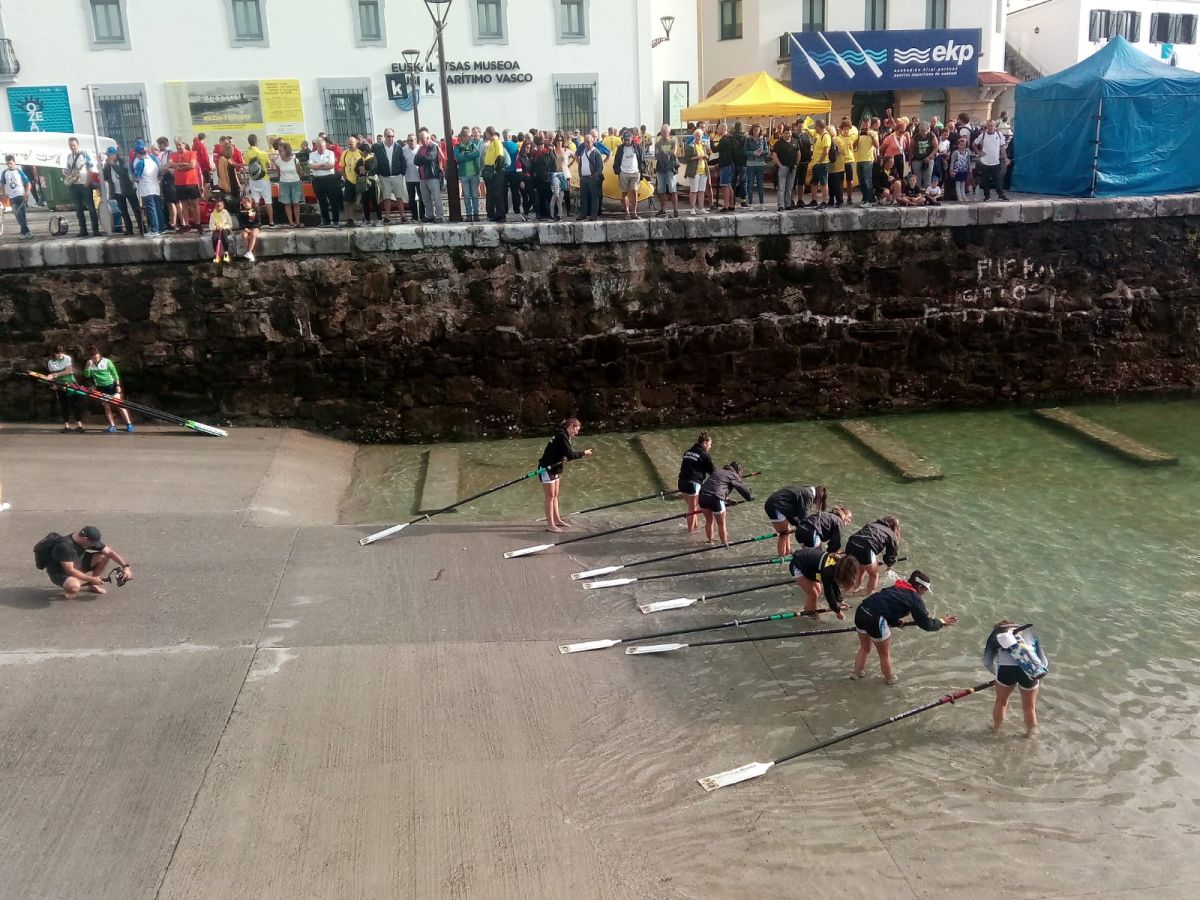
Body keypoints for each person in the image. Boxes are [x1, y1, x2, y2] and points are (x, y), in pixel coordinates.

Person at [852, 570, 956, 683]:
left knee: (865, 648)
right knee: (884, 655)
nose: (925, 593)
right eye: (925, 589)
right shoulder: (915, 599)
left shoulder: (898, 585)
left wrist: (895, 621)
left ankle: (856, 673)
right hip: (876, 619)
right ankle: (890, 679)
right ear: (920, 587)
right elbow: (926, 624)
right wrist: (941, 622)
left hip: (862, 610)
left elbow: (885, 602)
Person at [982, 620, 1048, 736]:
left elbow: (987, 661)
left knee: (1001, 702)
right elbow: (1044, 662)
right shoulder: (1030, 632)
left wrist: (996, 674)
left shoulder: (996, 633)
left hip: (1005, 670)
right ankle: (1030, 734)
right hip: (1030, 671)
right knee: (1029, 706)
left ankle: (995, 730)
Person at [40, 526, 133, 600]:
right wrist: (91, 579)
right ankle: (70, 590)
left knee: (103, 556)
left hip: (77, 562)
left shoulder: (85, 540)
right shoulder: (64, 547)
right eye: (92, 543)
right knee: (73, 586)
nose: (93, 545)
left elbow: (109, 552)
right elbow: (70, 570)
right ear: (85, 539)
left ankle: (93, 585)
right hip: (60, 572)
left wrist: (125, 567)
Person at [537, 418, 593, 533]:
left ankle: (557, 520)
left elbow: (563, 453)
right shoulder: (562, 436)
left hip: (555, 468)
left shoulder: (564, 435)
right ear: (572, 426)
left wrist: (564, 457)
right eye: (576, 430)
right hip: (546, 469)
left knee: (555, 495)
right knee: (550, 497)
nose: (577, 433)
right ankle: (550, 525)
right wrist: (584, 453)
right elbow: (570, 455)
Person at [789, 547, 860, 619]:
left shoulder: (838, 563)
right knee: (813, 594)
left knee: (818, 590)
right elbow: (829, 593)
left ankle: (810, 611)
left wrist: (840, 600)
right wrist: (837, 611)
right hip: (797, 565)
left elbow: (834, 584)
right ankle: (810, 616)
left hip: (808, 564)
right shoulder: (828, 571)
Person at [698, 461, 753, 545]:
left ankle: (710, 541)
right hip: (715, 498)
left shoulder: (718, 471)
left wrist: (728, 500)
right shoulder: (733, 474)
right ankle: (724, 543)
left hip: (702, 495)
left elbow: (716, 486)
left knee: (709, 521)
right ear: (738, 470)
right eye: (741, 472)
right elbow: (743, 489)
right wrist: (750, 497)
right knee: (721, 523)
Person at [763, 485, 828, 557]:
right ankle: (781, 557)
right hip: (775, 506)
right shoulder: (808, 495)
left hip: (774, 504)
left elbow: (797, 514)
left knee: (787, 531)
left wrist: (799, 526)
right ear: (819, 497)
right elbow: (803, 517)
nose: (816, 503)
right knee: (783, 534)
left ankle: (788, 552)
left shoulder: (805, 491)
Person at [845, 515, 901, 593]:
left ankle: (855, 588)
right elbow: (891, 554)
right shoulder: (891, 534)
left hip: (851, 543)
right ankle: (870, 595)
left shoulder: (871, 525)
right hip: (866, 549)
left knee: (862, 567)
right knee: (874, 574)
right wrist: (889, 566)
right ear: (896, 527)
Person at [84, 346, 133, 433]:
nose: (96, 359)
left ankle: (129, 424)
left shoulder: (107, 362)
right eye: (94, 358)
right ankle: (112, 426)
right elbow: (87, 375)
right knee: (107, 407)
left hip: (111, 386)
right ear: (91, 357)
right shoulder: (90, 363)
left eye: (98, 357)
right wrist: (87, 367)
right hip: (101, 388)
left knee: (119, 405)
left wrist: (118, 385)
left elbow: (114, 374)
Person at [677, 431, 715, 533]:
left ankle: (695, 525)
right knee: (692, 510)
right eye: (710, 444)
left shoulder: (687, 452)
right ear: (705, 443)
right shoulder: (704, 455)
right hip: (693, 484)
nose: (710, 447)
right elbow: (713, 473)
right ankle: (690, 533)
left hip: (681, 482)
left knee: (692, 507)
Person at [63, 137, 100, 237]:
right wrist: (68, 173)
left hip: (84, 185)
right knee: (78, 209)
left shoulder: (84, 155)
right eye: (71, 145)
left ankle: (95, 230)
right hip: (74, 185)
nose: (72, 147)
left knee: (91, 208)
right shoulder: (69, 157)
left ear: (78, 145)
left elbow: (90, 169)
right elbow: (67, 169)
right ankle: (83, 230)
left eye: (74, 145)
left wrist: (87, 182)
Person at [47, 346, 84, 432]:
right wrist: (53, 383)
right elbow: (52, 374)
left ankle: (79, 425)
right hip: (59, 384)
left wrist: (55, 375)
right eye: (58, 353)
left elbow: (69, 371)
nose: (60, 355)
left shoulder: (67, 358)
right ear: (54, 353)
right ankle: (66, 426)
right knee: (64, 405)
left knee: (74, 404)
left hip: (70, 383)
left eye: (61, 352)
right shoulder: (51, 362)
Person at [131, 140, 165, 234]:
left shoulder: (140, 163)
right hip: (155, 187)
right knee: (157, 208)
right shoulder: (153, 159)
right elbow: (159, 172)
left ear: (138, 153)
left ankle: (154, 230)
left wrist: (134, 179)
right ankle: (161, 228)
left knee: (151, 209)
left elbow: (136, 177)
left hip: (146, 188)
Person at [169, 136, 202, 232]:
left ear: (184, 144)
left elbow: (192, 165)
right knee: (184, 205)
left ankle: (198, 223)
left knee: (194, 204)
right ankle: (186, 225)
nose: (178, 147)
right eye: (176, 145)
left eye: (179, 145)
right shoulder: (173, 155)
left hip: (191, 182)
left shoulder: (192, 153)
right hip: (179, 183)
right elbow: (170, 164)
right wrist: (183, 164)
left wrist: (179, 168)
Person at [972, 119, 1009, 202]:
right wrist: (979, 152)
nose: (990, 127)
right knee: (985, 180)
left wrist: (1006, 158)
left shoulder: (999, 135)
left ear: (995, 126)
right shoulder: (983, 135)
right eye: (989, 125)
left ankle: (1001, 194)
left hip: (996, 161)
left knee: (998, 180)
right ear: (986, 126)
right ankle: (987, 196)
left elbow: (1002, 147)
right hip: (985, 162)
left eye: (992, 125)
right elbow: (974, 144)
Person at [308, 137, 341, 227]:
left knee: (333, 200)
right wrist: (322, 165)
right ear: (316, 146)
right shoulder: (312, 154)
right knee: (322, 201)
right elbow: (310, 165)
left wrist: (317, 165)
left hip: (330, 178)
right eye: (319, 146)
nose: (321, 148)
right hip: (318, 179)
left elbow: (330, 166)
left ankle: (335, 221)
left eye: (322, 146)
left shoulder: (330, 153)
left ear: (325, 145)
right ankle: (326, 221)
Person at [612, 130, 644, 220]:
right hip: (624, 172)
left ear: (631, 138)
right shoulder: (620, 148)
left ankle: (634, 213)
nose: (626, 141)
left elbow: (641, 159)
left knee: (634, 191)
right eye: (625, 139)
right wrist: (618, 172)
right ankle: (627, 213)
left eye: (628, 139)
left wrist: (641, 171)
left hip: (635, 172)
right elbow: (616, 161)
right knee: (624, 192)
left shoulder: (637, 147)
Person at [414, 129, 445, 223]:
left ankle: (439, 216)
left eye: (422, 138)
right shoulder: (420, 148)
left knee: (436, 197)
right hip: (422, 177)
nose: (421, 140)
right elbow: (415, 160)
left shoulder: (433, 146)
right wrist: (422, 159)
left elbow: (430, 157)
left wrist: (421, 159)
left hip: (432, 175)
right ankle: (429, 215)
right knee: (425, 198)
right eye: (420, 138)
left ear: (427, 137)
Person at [454, 127, 483, 223]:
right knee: (466, 195)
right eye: (468, 136)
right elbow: (458, 158)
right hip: (464, 174)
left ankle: (476, 214)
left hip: (474, 173)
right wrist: (469, 155)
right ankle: (469, 215)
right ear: (462, 137)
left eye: (471, 136)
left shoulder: (473, 145)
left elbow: (477, 154)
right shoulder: (457, 147)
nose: (470, 138)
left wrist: (465, 154)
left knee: (474, 195)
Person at [3, 154, 34, 240]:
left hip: (20, 195)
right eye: (8, 164)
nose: (9, 165)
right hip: (12, 197)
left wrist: (26, 194)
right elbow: (2, 183)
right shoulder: (5, 172)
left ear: (14, 163)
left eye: (11, 163)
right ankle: (26, 231)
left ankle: (23, 232)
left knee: (22, 214)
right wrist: (4, 193)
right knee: (16, 214)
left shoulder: (19, 172)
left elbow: (28, 184)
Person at [482, 127, 509, 222]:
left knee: (498, 193)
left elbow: (500, 157)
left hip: (496, 171)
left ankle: (502, 215)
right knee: (493, 193)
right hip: (490, 170)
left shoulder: (497, 142)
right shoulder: (491, 143)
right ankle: (496, 214)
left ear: (489, 133)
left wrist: (496, 170)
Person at [575, 133, 604, 222]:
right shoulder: (583, 151)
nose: (586, 144)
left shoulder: (596, 152)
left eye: (588, 142)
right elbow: (580, 163)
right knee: (583, 197)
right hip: (584, 178)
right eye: (585, 142)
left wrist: (595, 176)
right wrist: (580, 175)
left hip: (592, 178)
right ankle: (583, 214)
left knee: (594, 197)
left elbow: (600, 167)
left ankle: (593, 214)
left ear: (593, 141)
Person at [273, 143, 303, 227]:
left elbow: (299, 172)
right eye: (278, 150)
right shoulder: (278, 161)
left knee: (296, 203)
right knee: (287, 203)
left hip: (295, 182)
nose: (279, 152)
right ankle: (291, 222)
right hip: (284, 183)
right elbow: (278, 173)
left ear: (286, 150)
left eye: (280, 150)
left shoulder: (295, 160)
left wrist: (296, 179)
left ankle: (297, 221)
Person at [652, 125, 679, 218]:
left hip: (670, 168)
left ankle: (675, 210)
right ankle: (663, 209)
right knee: (661, 189)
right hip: (661, 168)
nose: (664, 133)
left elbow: (673, 153)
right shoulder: (657, 143)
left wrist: (663, 155)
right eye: (663, 131)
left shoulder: (673, 141)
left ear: (669, 132)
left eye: (666, 131)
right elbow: (657, 155)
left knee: (673, 189)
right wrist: (664, 155)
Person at [772, 125, 798, 211]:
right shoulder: (778, 143)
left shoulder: (795, 141)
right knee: (781, 187)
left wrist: (796, 164)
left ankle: (788, 204)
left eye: (789, 133)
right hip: (782, 167)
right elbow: (774, 155)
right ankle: (781, 205)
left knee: (789, 187)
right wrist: (780, 165)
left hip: (792, 168)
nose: (788, 135)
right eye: (786, 133)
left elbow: (799, 153)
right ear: (783, 134)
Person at [684, 128, 710, 215]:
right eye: (696, 135)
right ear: (694, 136)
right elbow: (686, 159)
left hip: (703, 170)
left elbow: (707, 156)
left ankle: (701, 207)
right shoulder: (690, 146)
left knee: (701, 190)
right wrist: (697, 157)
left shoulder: (703, 145)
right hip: (694, 171)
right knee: (694, 190)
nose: (698, 137)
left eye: (699, 136)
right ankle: (692, 208)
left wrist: (706, 156)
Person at [743, 124, 768, 210]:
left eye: (757, 130)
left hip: (760, 164)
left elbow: (767, 150)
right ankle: (750, 204)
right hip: (750, 164)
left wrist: (762, 153)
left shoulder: (763, 139)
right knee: (750, 184)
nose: (756, 132)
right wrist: (753, 153)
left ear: (760, 131)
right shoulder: (748, 140)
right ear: (752, 131)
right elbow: (744, 152)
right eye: (754, 130)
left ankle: (762, 204)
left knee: (760, 184)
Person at [808, 120, 831, 209]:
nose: (815, 128)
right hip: (816, 163)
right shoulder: (820, 136)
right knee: (813, 183)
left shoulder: (825, 136)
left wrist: (819, 162)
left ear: (818, 126)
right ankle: (814, 200)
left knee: (823, 183)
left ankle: (825, 201)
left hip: (822, 164)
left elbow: (825, 151)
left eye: (815, 127)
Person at [854, 119, 877, 207]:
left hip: (868, 160)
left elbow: (877, 146)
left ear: (869, 125)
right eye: (863, 124)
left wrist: (872, 137)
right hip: (859, 159)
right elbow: (853, 146)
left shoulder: (873, 133)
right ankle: (864, 198)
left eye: (866, 125)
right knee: (861, 180)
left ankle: (869, 200)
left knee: (867, 180)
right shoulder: (858, 133)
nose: (865, 126)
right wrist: (858, 137)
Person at [209, 196, 233, 263]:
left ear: (223, 206)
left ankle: (226, 253)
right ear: (215, 206)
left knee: (224, 237)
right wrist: (216, 227)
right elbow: (211, 226)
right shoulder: (212, 214)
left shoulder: (226, 213)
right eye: (217, 206)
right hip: (216, 229)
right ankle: (216, 253)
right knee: (214, 238)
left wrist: (224, 227)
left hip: (225, 228)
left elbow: (230, 224)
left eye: (220, 206)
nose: (219, 208)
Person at [237, 195, 260, 262]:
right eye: (244, 202)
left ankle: (249, 252)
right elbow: (240, 221)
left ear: (251, 202)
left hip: (254, 227)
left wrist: (253, 228)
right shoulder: (241, 211)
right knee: (244, 236)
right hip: (245, 227)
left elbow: (258, 221)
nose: (246, 204)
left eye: (247, 202)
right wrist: (245, 228)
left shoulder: (255, 210)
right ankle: (249, 253)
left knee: (253, 235)